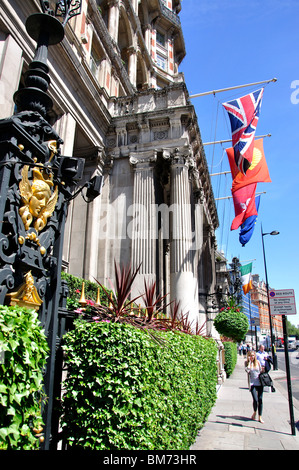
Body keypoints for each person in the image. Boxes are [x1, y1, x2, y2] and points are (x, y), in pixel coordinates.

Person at [245, 351, 264, 423]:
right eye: (250, 356)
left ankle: (260, 416)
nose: (251, 357)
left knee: (260, 399)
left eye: (252, 355)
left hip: (259, 383)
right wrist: (249, 363)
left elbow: (261, 371)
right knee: (255, 399)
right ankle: (255, 412)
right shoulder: (247, 363)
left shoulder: (258, 362)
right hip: (252, 384)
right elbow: (247, 370)